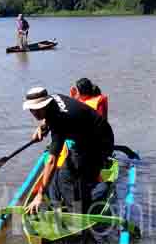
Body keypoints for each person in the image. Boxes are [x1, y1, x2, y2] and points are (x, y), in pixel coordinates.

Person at [22, 87, 114, 215]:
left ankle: (77, 213)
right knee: (60, 176)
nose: (35, 114)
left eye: (38, 110)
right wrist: (42, 127)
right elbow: (48, 117)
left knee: (66, 178)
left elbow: (52, 161)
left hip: (99, 143)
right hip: (84, 139)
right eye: (32, 110)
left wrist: (39, 195)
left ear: (45, 104)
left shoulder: (59, 120)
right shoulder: (53, 98)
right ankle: (76, 197)